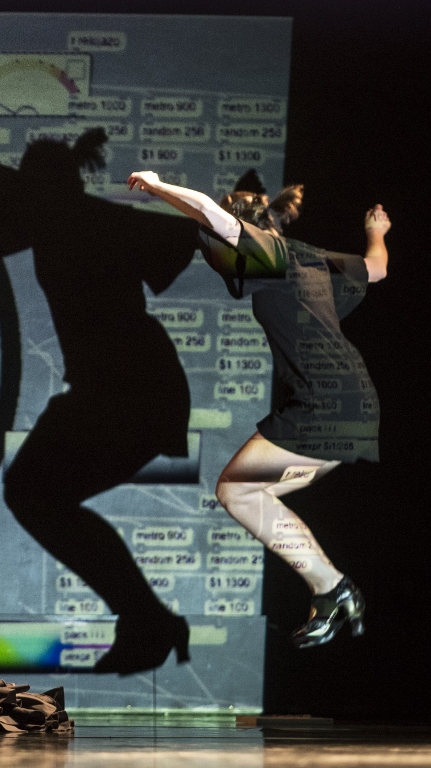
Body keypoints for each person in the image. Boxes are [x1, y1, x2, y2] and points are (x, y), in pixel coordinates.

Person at [0, 113, 201, 673]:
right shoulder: (76, 215)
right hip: (133, 388)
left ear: (39, 186)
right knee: (39, 496)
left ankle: (146, 618)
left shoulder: (62, 214)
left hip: (126, 391)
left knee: (36, 495)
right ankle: (145, 618)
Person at [127, 169, 390, 648]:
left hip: (324, 406)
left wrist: (159, 186)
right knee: (251, 495)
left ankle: (333, 588)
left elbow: (210, 213)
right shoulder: (312, 256)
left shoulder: (268, 251)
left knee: (237, 491)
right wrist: (377, 231)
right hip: (352, 407)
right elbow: (376, 269)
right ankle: (330, 590)